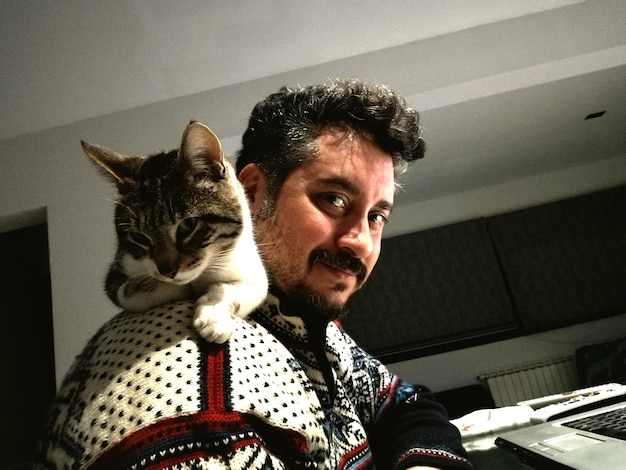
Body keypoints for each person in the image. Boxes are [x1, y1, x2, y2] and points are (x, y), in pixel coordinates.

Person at [34, 79, 472, 469]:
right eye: (334, 200)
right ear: (250, 190)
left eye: (377, 216)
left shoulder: (297, 321)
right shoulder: (198, 395)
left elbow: (404, 402)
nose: (361, 240)